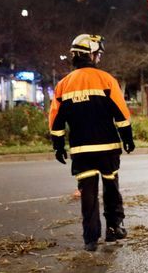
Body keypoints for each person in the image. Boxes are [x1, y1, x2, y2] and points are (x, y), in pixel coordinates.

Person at [48, 34, 134, 252]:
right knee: (111, 187)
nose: (99, 58)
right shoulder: (106, 80)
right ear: (91, 55)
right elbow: (121, 113)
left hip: (81, 149)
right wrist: (127, 138)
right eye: (98, 54)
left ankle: (90, 238)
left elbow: (56, 120)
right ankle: (114, 229)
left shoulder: (63, 85)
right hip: (107, 148)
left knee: (87, 193)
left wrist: (58, 145)